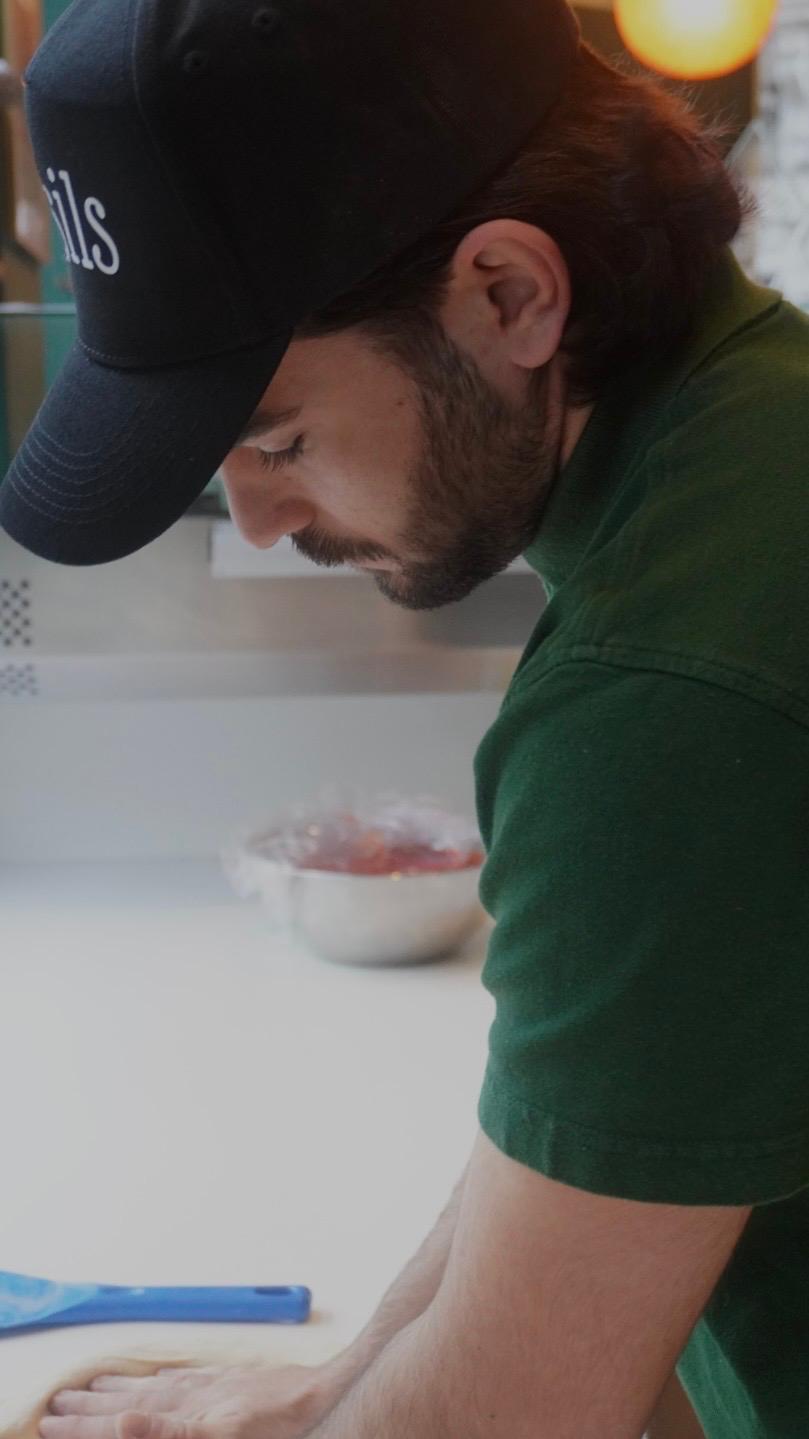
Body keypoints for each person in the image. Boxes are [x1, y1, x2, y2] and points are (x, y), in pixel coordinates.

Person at [2, 0, 808, 1435]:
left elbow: (509, 1422)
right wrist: (334, 1392)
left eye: (277, 438)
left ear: (508, 294)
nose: (253, 520)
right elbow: (588, 1143)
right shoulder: (743, 432)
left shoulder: (664, 696)